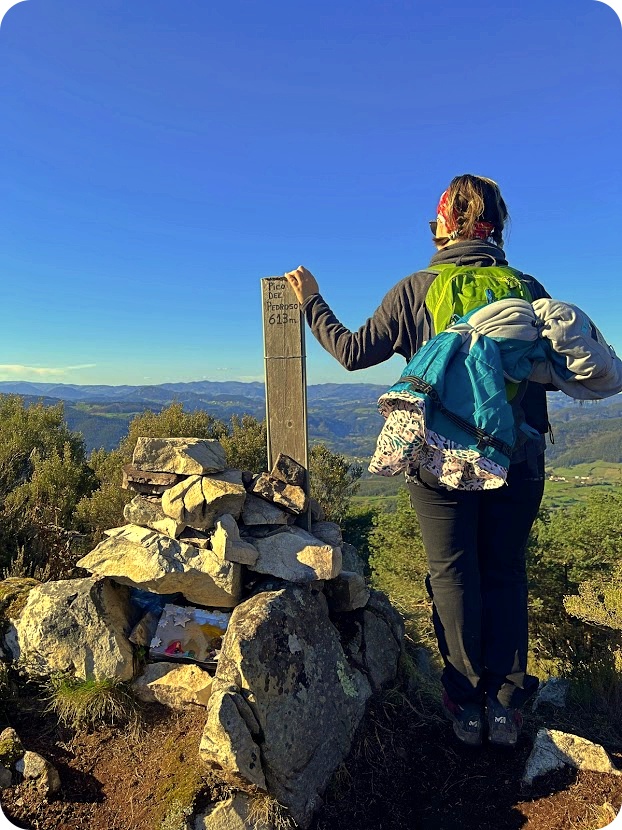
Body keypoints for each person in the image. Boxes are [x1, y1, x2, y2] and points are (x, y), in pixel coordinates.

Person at [284, 174, 549, 748]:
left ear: (443, 226)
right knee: (505, 570)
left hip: (440, 459)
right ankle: (506, 707)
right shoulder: (528, 288)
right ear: (498, 227)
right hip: (519, 455)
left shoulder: (415, 290)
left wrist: (311, 299)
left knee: (453, 574)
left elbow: (353, 352)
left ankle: (465, 704)